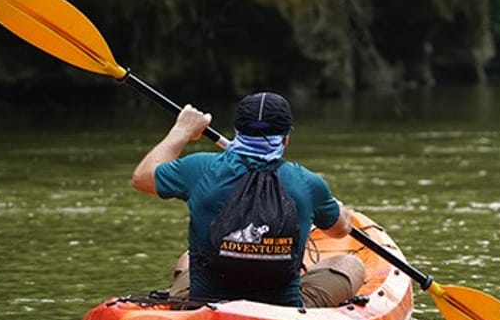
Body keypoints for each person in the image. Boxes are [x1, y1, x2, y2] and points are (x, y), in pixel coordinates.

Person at [131, 92, 365, 308]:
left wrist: (182, 130)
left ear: (237, 131)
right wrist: (339, 209)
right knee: (350, 264)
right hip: (283, 314)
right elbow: (340, 230)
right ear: (285, 140)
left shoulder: (201, 169)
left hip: (205, 308)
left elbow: (143, 178)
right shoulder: (308, 183)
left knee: (186, 259)